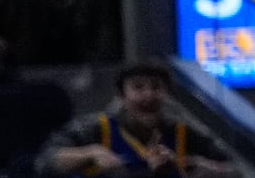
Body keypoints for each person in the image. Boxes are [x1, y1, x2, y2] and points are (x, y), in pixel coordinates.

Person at [39, 59, 235, 177]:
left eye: (156, 87)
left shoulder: (183, 132)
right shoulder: (95, 128)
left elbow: (237, 170)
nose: (149, 95)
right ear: (121, 96)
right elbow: (45, 162)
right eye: (138, 87)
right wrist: (90, 153)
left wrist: (212, 169)